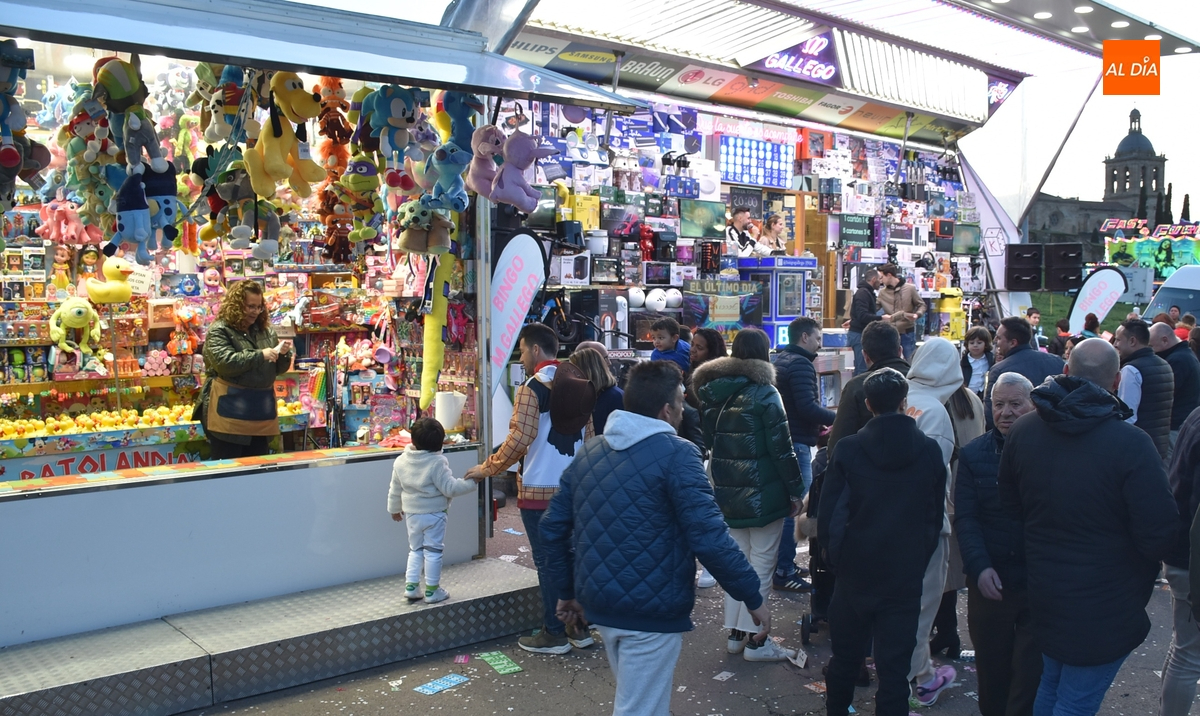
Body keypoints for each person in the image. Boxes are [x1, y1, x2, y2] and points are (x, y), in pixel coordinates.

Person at [540, 361, 770, 716]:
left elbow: (552, 527)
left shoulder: (591, 452)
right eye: (681, 401)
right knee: (640, 709)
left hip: (600, 602)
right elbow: (709, 536)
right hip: (651, 608)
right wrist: (752, 596)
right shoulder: (678, 455)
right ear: (667, 409)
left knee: (637, 703)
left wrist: (567, 591)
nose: (684, 410)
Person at [999, 338, 1178, 716]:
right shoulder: (1131, 444)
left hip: (1048, 589)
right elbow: (1159, 531)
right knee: (1072, 697)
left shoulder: (1024, 432)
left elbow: (1011, 508)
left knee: (1054, 686)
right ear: (1115, 382)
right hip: (1106, 600)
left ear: (1066, 371)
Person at [819, 368, 948, 716]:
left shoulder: (848, 449)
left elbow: (830, 512)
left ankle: (837, 710)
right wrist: (918, 560)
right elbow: (933, 518)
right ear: (904, 403)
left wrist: (836, 560)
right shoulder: (929, 451)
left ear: (868, 404)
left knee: (845, 658)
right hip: (903, 575)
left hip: (854, 572)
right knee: (894, 670)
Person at [464, 323, 595, 654]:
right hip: (575, 487)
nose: (520, 357)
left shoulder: (531, 388)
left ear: (536, 350)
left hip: (538, 489)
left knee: (549, 561)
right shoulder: (579, 382)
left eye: (522, 350)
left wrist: (488, 468)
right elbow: (590, 439)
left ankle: (553, 632)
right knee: (571, 555)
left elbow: (519, 439)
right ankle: (579, 629)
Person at [693, 327, 803, 662]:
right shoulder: (766, 393)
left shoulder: (712, 392)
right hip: (765, 492)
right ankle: (758, 640)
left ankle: (736, 633)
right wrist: (797, 491)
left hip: (727, 490)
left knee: (736, 563)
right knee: (762, 563)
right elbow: (782, 450)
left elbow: (710, 442)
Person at [955, 373, 1041, 716]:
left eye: (1015, 404)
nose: (1005, 412)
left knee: (1030, 675)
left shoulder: (1047, 450)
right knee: (992, 673)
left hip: (1038, 582)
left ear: (1032, 405)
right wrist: (979, 566)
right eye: (998, 404)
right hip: (991, 580)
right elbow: (967, 517)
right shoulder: (975, 454)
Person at [905, 338, 977, 705]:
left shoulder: (904, 398)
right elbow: (931, 479)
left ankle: (916, 676)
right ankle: (915, 685)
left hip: (888, 525)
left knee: (903, 609)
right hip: (924, 527)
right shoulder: (935, 411)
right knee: (921, 608)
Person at [387, 417, 483, 604]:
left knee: (415, 550)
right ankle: (432, 590)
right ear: (440, 443)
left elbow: (394, 489)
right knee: (433, 551)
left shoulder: (400, 461)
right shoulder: (437, 462)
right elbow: (450, 488)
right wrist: (472, 483)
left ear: (412, 440)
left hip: (412, 515)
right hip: (435, 515)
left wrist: (394, 509)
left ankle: (412, 587)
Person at [772, 316, 836, 592]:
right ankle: (784, 570)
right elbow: (807, 407)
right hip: (796, 442)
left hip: (787, 439)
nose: (820, 344)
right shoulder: (799, 364)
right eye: (818, 338)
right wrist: (837, 417)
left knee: (789, 506)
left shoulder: (783, 360)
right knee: (795, 507)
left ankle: (783, 564)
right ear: (805, 337)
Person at [196, 280, 293, 458]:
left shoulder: (266, 331)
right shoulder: (220, 330)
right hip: (229, 411)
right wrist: (260, 355)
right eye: (250, 306)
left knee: (259, 469)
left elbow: (278, 370)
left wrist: (284, 354)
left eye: (259, 307)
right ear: (236, 305)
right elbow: (225, 363)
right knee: (228, 471)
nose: (255, 312)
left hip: (260, 411)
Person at [1162, 406, 1200, 716]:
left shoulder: (1195, 416)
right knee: (1190, 655)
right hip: (1192, 559)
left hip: (1181, 553)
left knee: (1183, 648)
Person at [828, 321, 908, 456]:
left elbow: (838, 444)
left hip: (865, 471)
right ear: (900, 351)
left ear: (865, 355)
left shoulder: (857, 387)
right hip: (919, 472)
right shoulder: (920, 381)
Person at [688, 327, 728, 589]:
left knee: (711, 511)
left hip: (711, 450)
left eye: (699, 347)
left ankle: (712, 566)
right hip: (692, 447)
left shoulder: (718, 377)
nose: (693, 351)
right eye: (692, 346)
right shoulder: (687, 372)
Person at [983, 316, 1064, 430]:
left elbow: (991, 416)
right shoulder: (1057, 362)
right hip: (1056, 434)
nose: (996, 341)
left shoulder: (999, 371)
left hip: (1016, 437)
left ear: (1013, 343)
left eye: (999, 338)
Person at [1114, 318, 1174, 461]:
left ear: (1132, 341)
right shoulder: (1165, 365)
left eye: (1118, 340)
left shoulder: (1131, 370)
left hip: (1138, 450)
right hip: (1160, 446)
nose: (1115, 344)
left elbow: (1127, 416)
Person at [1150, 322, 1200, 459]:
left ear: (1165, 340)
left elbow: (1165, 394)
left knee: (1169, 469)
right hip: (1182, 422)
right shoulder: (1186, 355)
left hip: (1175, 425)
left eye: (1152, 346)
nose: (1152, 351)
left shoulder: (1177, 361)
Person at [570, 346, 623, 435]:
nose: (571, 376)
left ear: (586, 371)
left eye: (574, 371)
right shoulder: (590, 396)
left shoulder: (613, 398)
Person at [878, 264, 926, 361]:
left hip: (907, 332)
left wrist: (917, 314)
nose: (880, 280)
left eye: (882, 277)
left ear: (889, 275)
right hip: (890, 334)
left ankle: (911, 376)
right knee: (890, 361)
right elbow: (873, 307)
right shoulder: (882, 293)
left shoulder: (910, 289)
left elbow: (922, 305)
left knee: (910, 361)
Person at [845, 267, 885, 375]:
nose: (881, 282)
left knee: (861, 366)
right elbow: (863, 315)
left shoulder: (866, 293)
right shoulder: (863, 293)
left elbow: (859, 314)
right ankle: (859, 390)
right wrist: (881, 318)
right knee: (862, 368)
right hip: (859, 334)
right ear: (873, 279)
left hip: (859, 333)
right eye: (879, 278)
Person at [960, 326, 995, 397]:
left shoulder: (990, 359)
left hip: (983, 394)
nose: (975, 345)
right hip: (967, 394)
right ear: (967, 344)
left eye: (979, 343)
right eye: (972, 343)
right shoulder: (963, 362)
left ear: (986, 344)